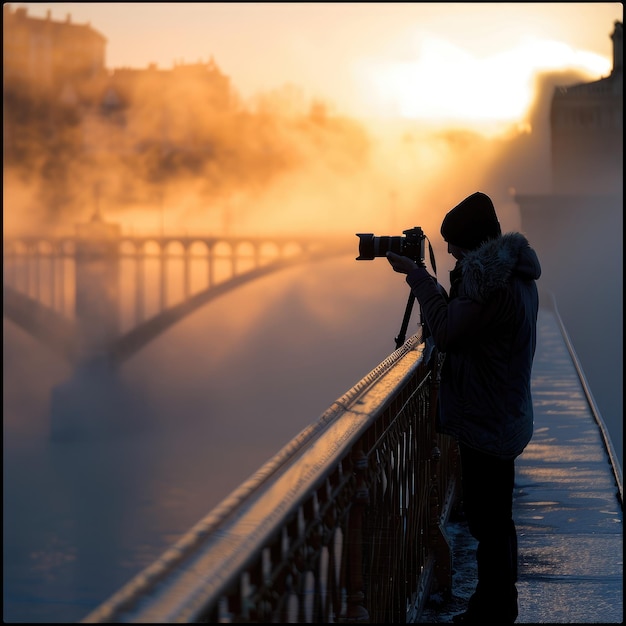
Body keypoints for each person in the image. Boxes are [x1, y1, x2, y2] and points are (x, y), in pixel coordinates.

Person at [386, 191, 541, 624]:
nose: (449, 251)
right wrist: (439, 286)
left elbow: (450, 332)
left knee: (488, 522)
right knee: (497, 519)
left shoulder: (488, 283)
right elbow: (466, 321)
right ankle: (496, 603)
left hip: (487, 415)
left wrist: (418, 279)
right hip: (503, 410)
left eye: (453, 244)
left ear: (471, 242)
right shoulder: (514, 275)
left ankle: (493, 609)